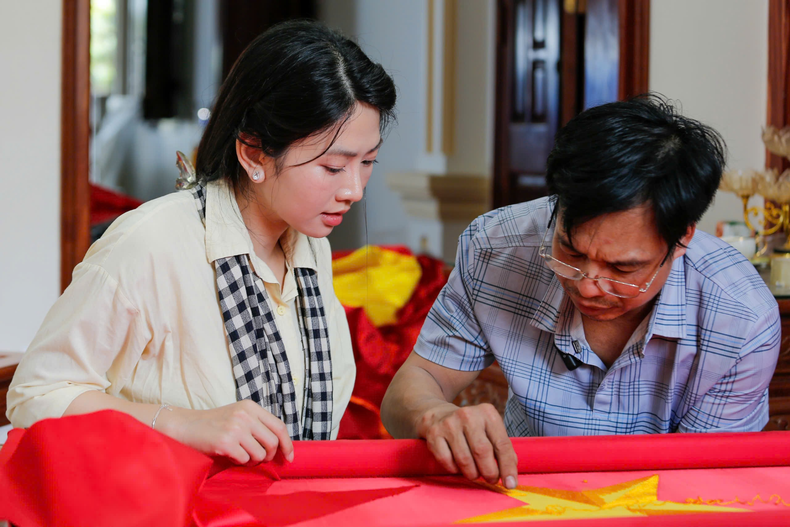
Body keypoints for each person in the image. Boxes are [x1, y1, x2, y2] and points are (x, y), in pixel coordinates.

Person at [8, 20, 396, 465]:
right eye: (332, 167)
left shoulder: (310, 249)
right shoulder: (151, 242)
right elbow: (35, 396)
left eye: (368, 162)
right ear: (253, 152)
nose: (355, 189)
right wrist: (180, 423)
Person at [381, 95, 781, 489]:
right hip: (518, 501)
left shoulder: (740, 317)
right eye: (570, 251)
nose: (588, 285)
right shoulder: (496, 247)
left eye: (623, 268)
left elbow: (704, 486)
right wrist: (433, 414)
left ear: (682, 239)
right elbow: (418, 380)